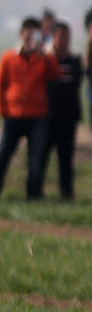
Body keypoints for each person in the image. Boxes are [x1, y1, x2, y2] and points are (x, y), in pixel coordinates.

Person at [0, 18, 62, 199]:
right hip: (13, 114)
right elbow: (1, 84)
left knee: (36, 158)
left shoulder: (43, 58)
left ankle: (33, 194)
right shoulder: (9, 57)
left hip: (37, 115)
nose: (30, 36)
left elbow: (55, 76)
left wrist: (46, 57)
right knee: (4, 154)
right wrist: (3, 109)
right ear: (22, 33)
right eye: (28, 31)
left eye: (35, 32)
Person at [43, 21, 84, 199]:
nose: (63, 40)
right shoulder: (45, 58)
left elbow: (77, 83)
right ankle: (35, 192)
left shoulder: (75, 59)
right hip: (47, 115)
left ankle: (66, 194)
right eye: (60, 36)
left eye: (66, 36)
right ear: (53, 37)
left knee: (66, 158)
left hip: (68, 115)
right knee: (42, 155)